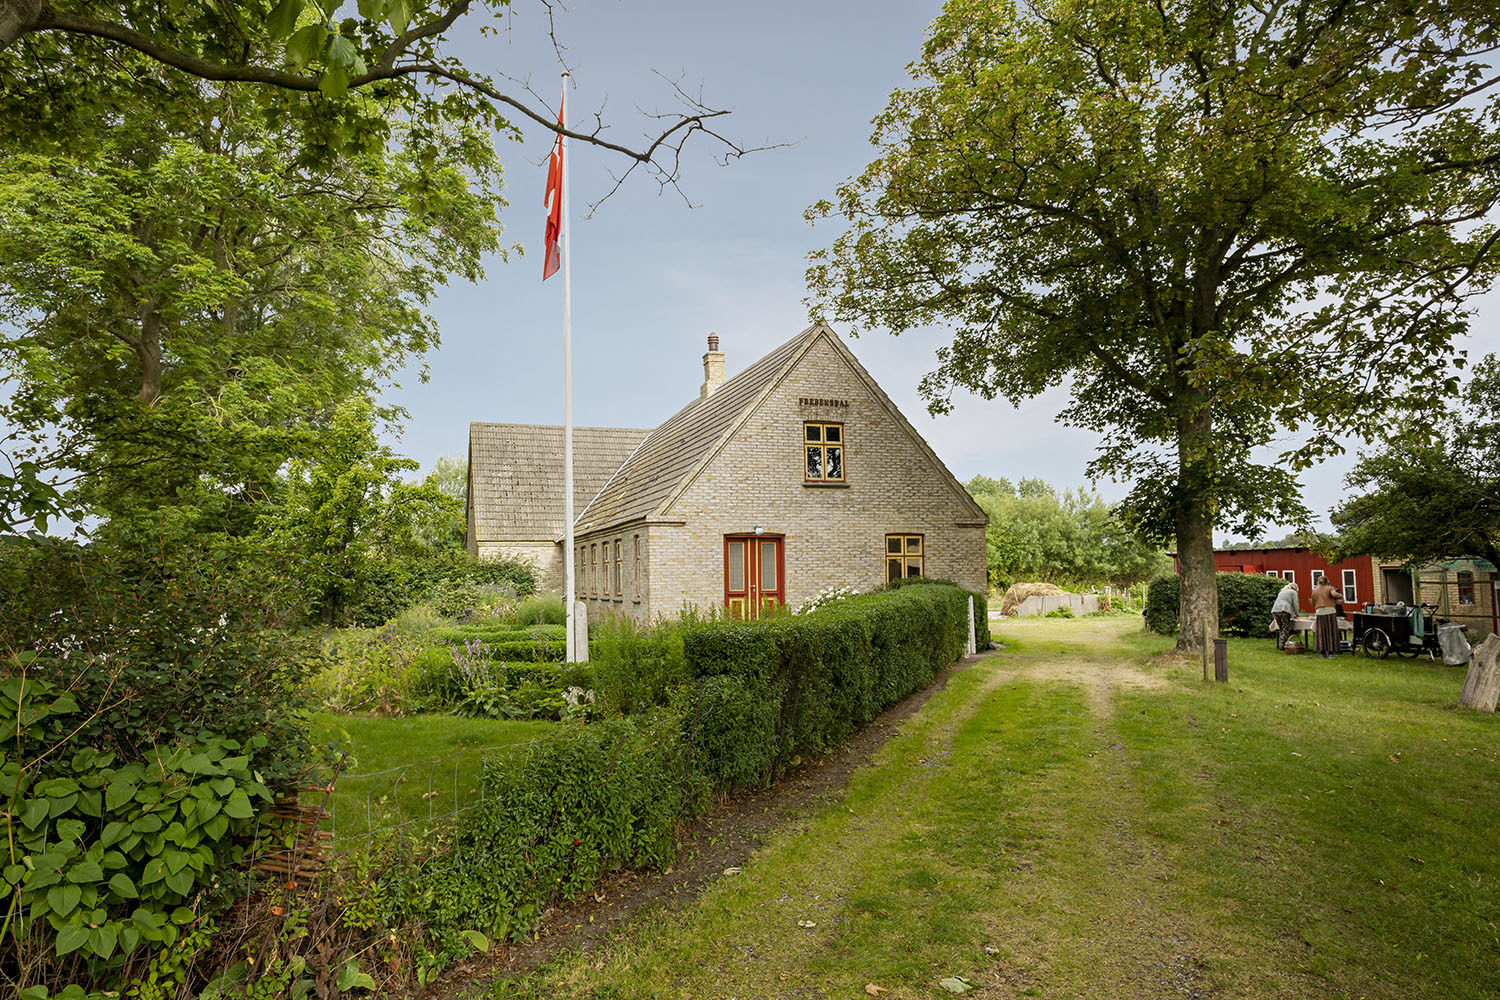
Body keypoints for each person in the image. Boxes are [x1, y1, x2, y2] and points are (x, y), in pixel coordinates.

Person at [1311, 574, 1341, 656]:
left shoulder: (1315, 590)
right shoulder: (1330, 588)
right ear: (1327, 581)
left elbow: (1313, 603)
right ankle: (1331, 652)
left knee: (1321, 632)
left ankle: (1322, 652)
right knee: (1331, 631)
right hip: (1330, 611)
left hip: (1319, 612)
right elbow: (1334, 594)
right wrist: (1340, 595)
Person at [1271, 580, 1299, 649]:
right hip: (1284, 609)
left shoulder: (1282, 591)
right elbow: (1295, 604)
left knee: (1281, 628)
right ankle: (1283, 645)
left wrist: (1292, 613)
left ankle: (1282, 643)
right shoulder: (1293, 592)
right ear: (1295, 588)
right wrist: (1296, 613)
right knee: (1285, 628)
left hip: (1275, 610)